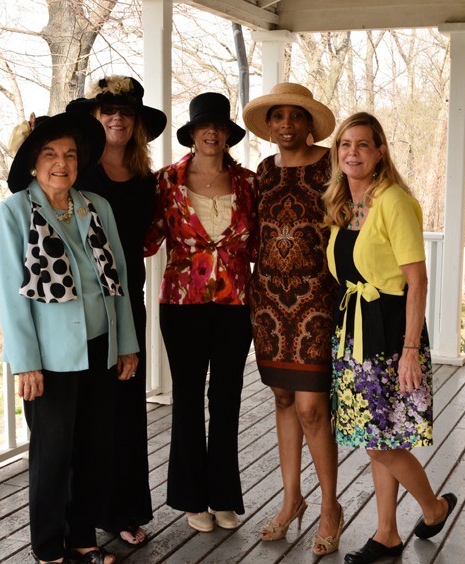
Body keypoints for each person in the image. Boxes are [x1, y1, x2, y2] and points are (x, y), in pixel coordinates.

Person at [0, 112, 139, 564]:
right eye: (51, 154)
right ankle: (48, 549)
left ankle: (82, 539)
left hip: (100, 346)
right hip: (50, 357)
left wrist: (128, 343)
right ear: (35, 163)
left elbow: (118, 279)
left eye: (71, 155)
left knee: (95, 451)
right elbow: (9, 292)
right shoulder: (16, 209)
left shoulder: (96, 205)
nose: (62, 163)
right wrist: (25, 362)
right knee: (52, 457)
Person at [322, 112, 457, 564]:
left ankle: (433, 507)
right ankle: (387, 534)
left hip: (388, 333)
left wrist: (410, 351)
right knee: (377, 437)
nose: (352, 153)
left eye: (363, 144)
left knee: (383, 441)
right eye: (345, 144)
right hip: (353, 330)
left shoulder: (394, 200)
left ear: (380, 152)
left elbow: (416, 281)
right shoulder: (344, 203)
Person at [144, 92, 258, 533]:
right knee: (188, 400)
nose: (211, 133)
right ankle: (192, 499)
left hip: (235, 304)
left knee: (226, 399)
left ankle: (224, 495)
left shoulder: (248, 183)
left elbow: (262, 245)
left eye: (219, 126)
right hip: (182, 304)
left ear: (228, 134)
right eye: (202, 126)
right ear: (191, 134)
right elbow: (147, 237)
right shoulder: (165, 181)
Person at [66, 75, 167, 547]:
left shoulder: (148, 180)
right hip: (85, 308)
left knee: (127, 409)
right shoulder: (79, 174)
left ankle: (123, 512)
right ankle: (80, 516)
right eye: (108, 111)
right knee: (88, 413)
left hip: (129, 304)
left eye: (126, 112)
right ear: (94, 118)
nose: (117, 118)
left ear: (137, 122)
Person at [242, 83, 343, 555]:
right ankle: (291, 500)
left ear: (308, 124)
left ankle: (330, 507)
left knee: (311, 408)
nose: (285, 124)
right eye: (277, 117)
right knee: (283, 399)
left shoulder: (332, 164)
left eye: (294, 117)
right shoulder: (263, 171)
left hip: (317, 299)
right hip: (268, 303)